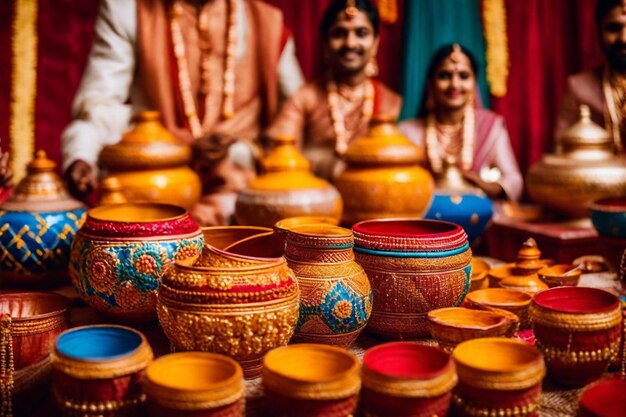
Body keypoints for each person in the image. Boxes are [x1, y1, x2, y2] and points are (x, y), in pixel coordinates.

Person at [61, 0, 304, 225]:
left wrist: (254, 152)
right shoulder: (128, 11)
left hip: (244, 189)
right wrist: (82, 155)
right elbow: (100, 104)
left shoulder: (266, 22)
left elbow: (296, 115)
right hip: (158, 184)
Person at [265, 0, 402, 180]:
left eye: (361, 33)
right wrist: (326, 164)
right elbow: (277, 153)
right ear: (325, 43)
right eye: (339, 33)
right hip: (314, 198)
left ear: (376, 42)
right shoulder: (305, 98)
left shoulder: (390, 101)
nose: (350, 43)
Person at [399, 44, 523, 201]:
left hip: (479, 217)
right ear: (430, 83)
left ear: (474, 83)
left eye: (464, 76)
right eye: (444, 75)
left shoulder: (491, 126)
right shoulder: (407, 132)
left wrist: (483, 186)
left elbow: (514, 181)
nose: (455, 84)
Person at [555, 0, 626, 152]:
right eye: (614, 28)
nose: (623, 38)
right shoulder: (579, 87)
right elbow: (560, 154)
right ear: (599, 32)